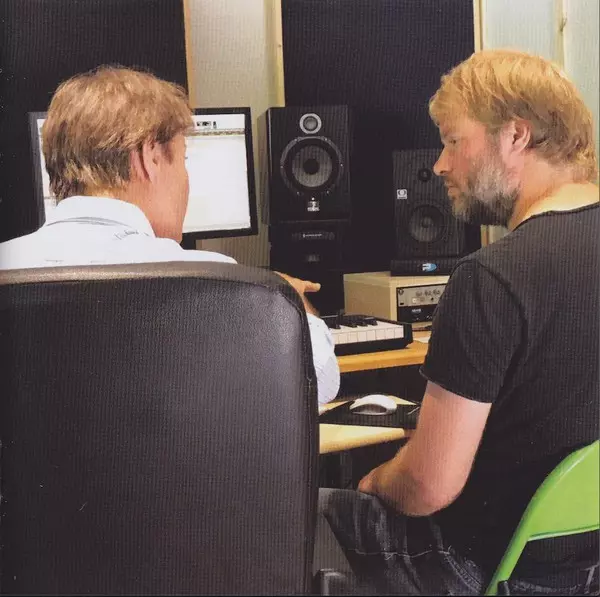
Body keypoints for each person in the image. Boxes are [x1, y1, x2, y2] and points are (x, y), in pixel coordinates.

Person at [318, 49, 599, 595]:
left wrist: (377, 480)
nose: (441, 165)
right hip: (586, 564)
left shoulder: (491, 278)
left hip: (495, 571)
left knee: (309, 512)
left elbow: (428, 486)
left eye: (452, 140)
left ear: (515, 135)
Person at [0, 66, 340, 405]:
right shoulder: (216, 281)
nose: (186, 179)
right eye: (183, 159)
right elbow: (316, 382)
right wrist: (289, 299)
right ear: (149, 158)